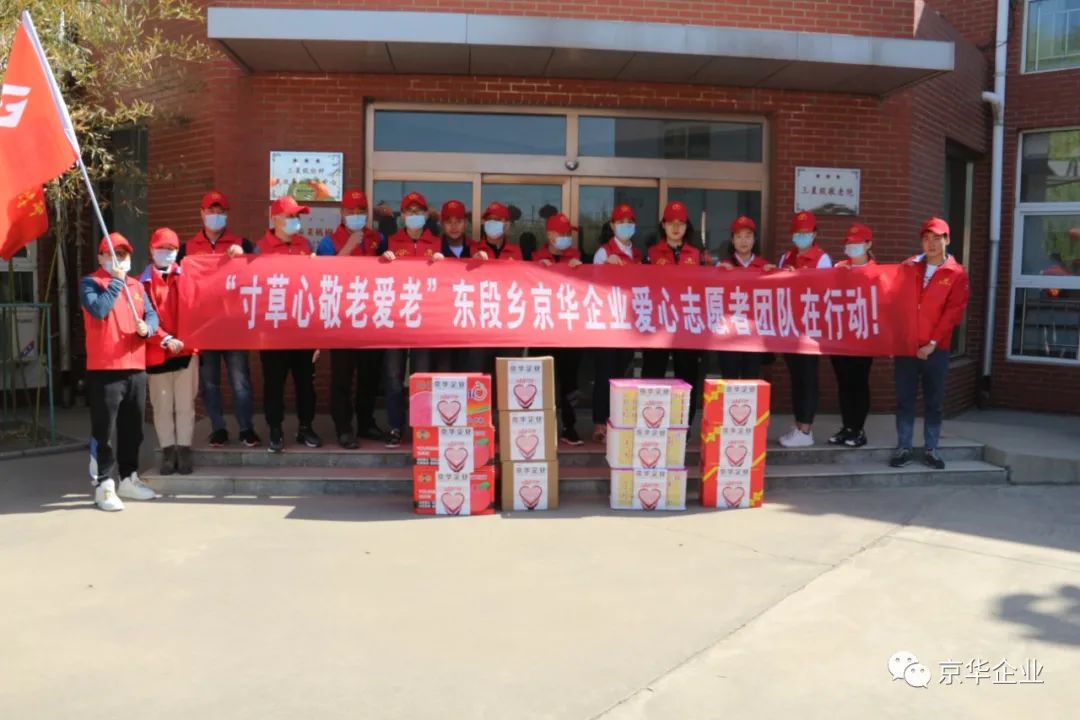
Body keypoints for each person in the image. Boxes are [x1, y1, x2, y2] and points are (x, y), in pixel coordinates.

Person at [81, 233, 161, 511]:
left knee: (133, 428)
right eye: (113, 254)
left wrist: (148, 328)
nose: (119, 259)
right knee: (103, 429)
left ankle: (128, 477)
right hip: (105, 368)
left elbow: (152, 314)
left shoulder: (137, 286)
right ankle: (103, 484)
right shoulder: (91, 283)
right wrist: (116, 282)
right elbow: (99, 309)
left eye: (124, 254)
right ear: (101, 257)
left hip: (135, 366)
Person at [179, 190, 259, 449]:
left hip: (234, 327)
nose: (215, 215)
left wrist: (245, 258)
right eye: (211, 211)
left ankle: (246, 428)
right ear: (202, 214)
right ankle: (218, 429)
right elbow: (177, 285)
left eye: (220, 211)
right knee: (210, 382)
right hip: (204, 329)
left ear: (227, 215)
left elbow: (260, 274)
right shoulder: (187, 249)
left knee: (240, 381)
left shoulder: (242, 244)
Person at [890, 217, 970, 470]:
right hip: (906, 348)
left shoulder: (956, 273)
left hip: (936, 349)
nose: (931, 244)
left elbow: (953, 313)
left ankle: (931, 448)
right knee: (905, 400)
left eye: (937, 238)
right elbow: (894, 301)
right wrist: (895, 340)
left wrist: (932, 343)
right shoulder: (909, 266)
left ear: (947, 240)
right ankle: (904, 447)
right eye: (926, 239)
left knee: (933, 402)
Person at [316, 189, 385, 448]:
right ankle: (344, 428)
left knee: (370, 375)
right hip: (342, 318)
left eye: (361, 211)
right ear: (342, 213)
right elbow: (323, 276)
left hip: (372, 317)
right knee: (342, 377)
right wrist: (349, 246)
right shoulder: (329, 242)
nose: (356, 215)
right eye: (351, 211)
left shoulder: (378, 238)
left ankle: (366, 422)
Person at [256, 196, 322, 453]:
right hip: (273, 331)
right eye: (290, 216)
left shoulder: (305, 245)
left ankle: (306, 427)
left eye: (297, 216)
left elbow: (315, 288)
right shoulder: (261, 249)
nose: (295, 221)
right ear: (276, 219)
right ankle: (275, 429)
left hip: (302, 328)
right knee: (274, 384)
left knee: (305, 383)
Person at [379, 191, 442, 448]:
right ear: (402, 215)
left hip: (424, 322)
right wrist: (383, 260)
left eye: (419, 211)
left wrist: (443, 264)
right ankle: (395, 426)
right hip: (396, 320)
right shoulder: (390, 242)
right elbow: (374, 275)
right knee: (393, 375)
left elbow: (450, 278)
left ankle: (421, 426)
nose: (414, 215)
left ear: (426, 215)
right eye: (409, 211)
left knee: (421, 376)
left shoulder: (437, 243)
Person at [140, 228, 197, 476]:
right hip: (157, 352)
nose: (166, 253)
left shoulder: (188, 277)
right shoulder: (141, 283)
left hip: (186, 351)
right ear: (151, 250)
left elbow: (197, 311)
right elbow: (142, 318)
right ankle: (168, 451)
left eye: (172, 249)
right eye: (162, 248)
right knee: (162, 407)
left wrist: (183, 339)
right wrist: (164, 338)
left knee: (185, 405)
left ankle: (184, 450)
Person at [641, 200, 703, 424]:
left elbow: (708, 287)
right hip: (658, 326)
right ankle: (650, 423)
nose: (676, 228)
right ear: (663, 225)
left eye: (681, 223)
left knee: (687, 378)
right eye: (671, 223)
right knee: (652, 375)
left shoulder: (697, 255)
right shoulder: (651, 254)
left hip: (686, 327)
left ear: (687, 226)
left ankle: (683, 426)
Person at [776, 210, 832, 448]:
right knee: (796, 378)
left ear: (815, 234)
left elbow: (824, 290)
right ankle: (799, 424)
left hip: (810, 329)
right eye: (798, 233)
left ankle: (806, 429)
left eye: (806, 232)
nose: (801, 236)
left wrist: (799, 277)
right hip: (790, 327)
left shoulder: (822, 259)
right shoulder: (785, 258)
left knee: (808, 378)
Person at [591, 203, 643, 443]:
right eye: (621, 223)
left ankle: (618, 421)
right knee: (605, 373)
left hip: (628, 324)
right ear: (612, 226)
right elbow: (593, 284)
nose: (625, 227)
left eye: (629, 223)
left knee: (623, 373)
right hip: (607, 322)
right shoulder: (603, 252)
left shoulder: (638, 255)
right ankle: (600, 423)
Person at [534, 212, 585, 445]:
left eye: (568, 233)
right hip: (541, 331)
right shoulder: (535, 257)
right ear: (549, 234)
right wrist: (537, 269)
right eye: (561, 233)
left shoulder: (577, 258)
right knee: (541, 380)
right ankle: (540, 427)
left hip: (570, 331)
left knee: (569, 381)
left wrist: (581, 270)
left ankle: (569, 427)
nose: (565, 237)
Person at [828, 223, 875, 448]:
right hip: (840, 337)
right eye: (849, 243)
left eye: (858, 243)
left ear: (868, 244)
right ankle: (847, 427)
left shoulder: (876, 272)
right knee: (843, 382)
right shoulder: (839, 267)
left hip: (863, 338)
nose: (852, 247)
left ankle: (859, 429)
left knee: (859, 382)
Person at [717, 215, 774, 379]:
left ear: (754, 239)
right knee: (729, 379)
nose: (743, 241)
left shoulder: (764, 266)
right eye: (739, 236)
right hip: (728, 334)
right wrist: (718, 275)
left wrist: (774, 276)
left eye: (748, 236)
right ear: (732, 240)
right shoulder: (723, 266)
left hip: (754, 335)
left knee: (751, 380)